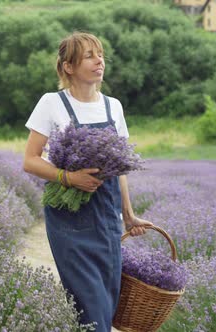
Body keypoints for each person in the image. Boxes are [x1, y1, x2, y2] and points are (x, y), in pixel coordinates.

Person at [22, 32, 152, 332]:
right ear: (68, 66)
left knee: (107, 301)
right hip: (69, 221)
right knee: (90, 306)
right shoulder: (51, 103)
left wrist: (128, 216)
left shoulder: (113, 107)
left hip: (106, 217)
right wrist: (68, 178)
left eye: (101, 54)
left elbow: (119, 169)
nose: (100, 61)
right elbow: (30, 159)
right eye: (90, 55)